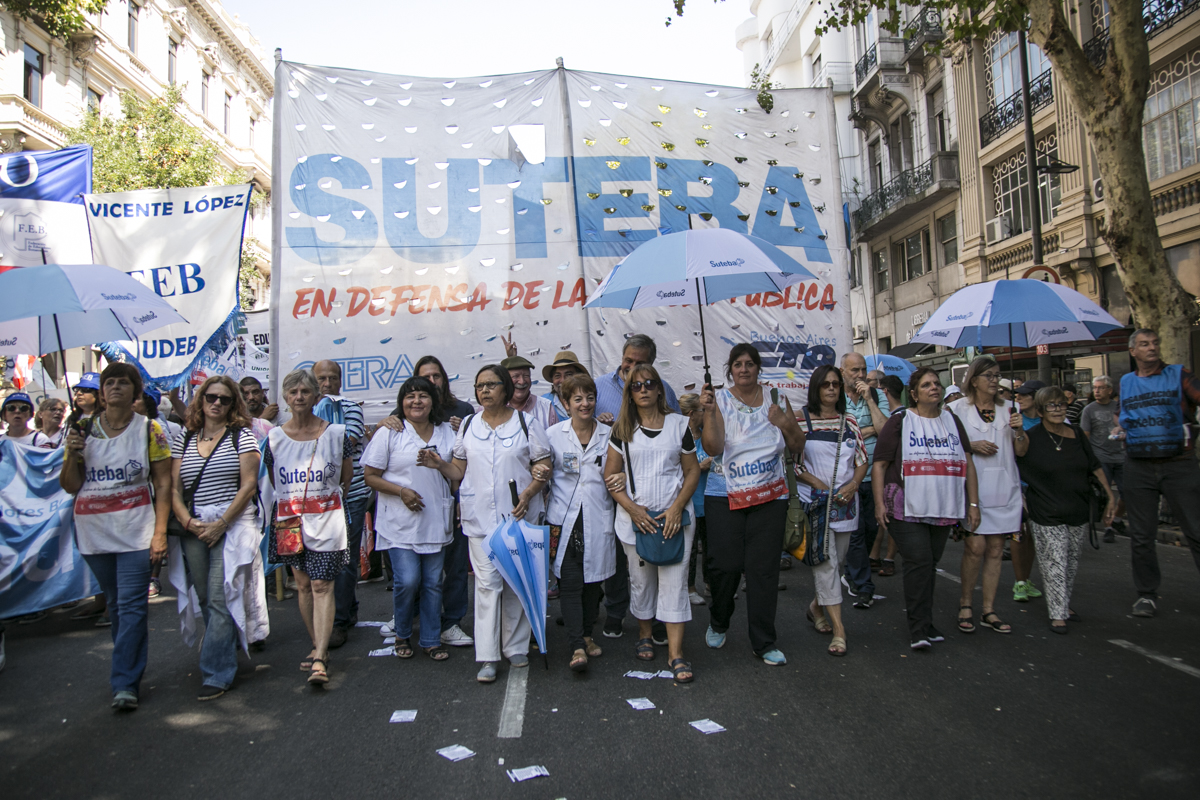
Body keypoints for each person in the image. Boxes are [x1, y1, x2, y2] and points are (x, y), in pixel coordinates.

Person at [420, 364, 551, 683]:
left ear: (506, 389)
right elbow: (458, 471)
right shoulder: (468, 424)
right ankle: (488, 655)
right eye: (480, 386)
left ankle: (516, 647)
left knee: (515, 584)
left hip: (518, 519)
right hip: (479, 519)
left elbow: (543, 464)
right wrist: (439, 465)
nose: (485, 390)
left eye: (491, 384)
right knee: (487, 584)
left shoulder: (526, 423)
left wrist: (529, 492)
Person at [59, 363, 172, 710]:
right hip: (94, 533)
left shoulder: (150, 430)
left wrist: (160, 533)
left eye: (124, 382)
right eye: (109, 382)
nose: (116, 387)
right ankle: (128, 666)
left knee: (132, 605)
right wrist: (72, 454)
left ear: (135, 391)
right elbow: (70, 485)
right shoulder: (81, 429)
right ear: (101, 392)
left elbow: (163, 483)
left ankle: (124, 682)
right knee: (117, 604)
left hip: (136, 531)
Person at [699, 344, 805, 664]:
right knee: (725, 566)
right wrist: (708, 412)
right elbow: (713, 448)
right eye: (737, 364)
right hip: (724, 495)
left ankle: (764, 641)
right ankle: (719, 620)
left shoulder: (776, 398)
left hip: (770, 496)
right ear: (730, 370)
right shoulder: (718, 399)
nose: (743, 369)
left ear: (759, 368)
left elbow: (797, 444)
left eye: (749, 364)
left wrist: (784, 422)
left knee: (763, 570)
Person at [169, 376, 264, 700]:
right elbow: (174, 489)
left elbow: (249, 485)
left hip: (231, 526)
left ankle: (216, 672)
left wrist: (222, 524)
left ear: (233, 403)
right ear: (201, 400)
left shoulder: (242, 436)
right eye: (211, 397)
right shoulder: (184, 438)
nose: (217, 403)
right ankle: (225, 645)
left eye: (225, 399)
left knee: (220, 597)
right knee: (206, 598)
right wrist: (188, 521)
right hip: (194, 528)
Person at [872, 367, 981, 650]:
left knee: (929, 563)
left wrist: (973, 504)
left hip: (943, 504)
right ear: (914, 393)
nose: (934, 387)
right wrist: (879, 504)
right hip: (905, 506)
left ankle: (926, 622)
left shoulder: (952, 421)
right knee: (919, 561)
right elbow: (880, 464)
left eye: (936, 383)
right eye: (926, 385)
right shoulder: (900, 421)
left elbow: (968, 463)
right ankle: (918, 628)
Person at [604, 363, 700, 681]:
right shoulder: (622, 429)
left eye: (649, 383)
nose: (643, 389)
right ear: (629, 393)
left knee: (675, 582)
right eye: (636, 385)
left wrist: (676, 508)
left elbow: (692, 471)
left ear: (660, 389)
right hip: (637, 520)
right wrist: (633, 510)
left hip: (674, 519)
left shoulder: (678, 425)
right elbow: (610, 476)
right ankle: (645, 633)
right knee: (641, 581)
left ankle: (676, 653)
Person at [377, 355, 478, 647]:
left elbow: (463, 461)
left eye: (436, 377)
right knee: (411, 577)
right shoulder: (404, 413)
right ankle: (407, 617)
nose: (430, 384)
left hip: (450, 502)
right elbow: (377, 460)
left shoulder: (463, 410)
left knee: (452, 568)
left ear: (444, 379)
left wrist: (458, 498)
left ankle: (449, 623)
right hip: (407, 513)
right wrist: (384, 422)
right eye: (424, 378)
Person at [264, 369, 353, 686]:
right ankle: (318, 645)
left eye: (305, 391)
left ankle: (320, 656)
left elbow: (346, 476)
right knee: (302, 585)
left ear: (316, 396)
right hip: (289, 521)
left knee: (321, 585)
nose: (299, 397)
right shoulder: (274, 438)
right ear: (285, 398)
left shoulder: (336, 434)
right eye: (293, 392)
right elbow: (273, 478)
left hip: (327, 517)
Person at [362, 376, 455, 662]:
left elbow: (457, 472)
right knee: (408, 580)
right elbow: (370, 476)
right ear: (401, 402)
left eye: (423, 396)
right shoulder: (390, 432)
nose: (416, 401)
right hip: (398, 521)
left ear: (433, 401)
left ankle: (430, 639)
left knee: (433, 582)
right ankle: (402, 633)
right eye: (410, 396)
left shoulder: (447, 432)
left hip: (435, 518)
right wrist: (401, 491)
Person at [594, 334, 679, 640]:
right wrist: (598, 422)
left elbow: (675, 443)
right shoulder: (599, 386)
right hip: (609, 488)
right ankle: (616, 613)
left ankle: (656, 622)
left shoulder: (664, 390)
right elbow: (581, 423)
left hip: (651, 492)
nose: (631, 368)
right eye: (627, 360)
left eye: (639, 363)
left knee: (652, 558)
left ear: (651, 365)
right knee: (618, 559)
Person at [1017, 387, 1115, 633]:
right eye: (1051, 405)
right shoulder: (1031, 437)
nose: (1058, 409)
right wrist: (1017, 430)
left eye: (1061, 404)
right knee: (1054, 560)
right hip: (1045, 509)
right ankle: (1057, 613)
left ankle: (1063, 604)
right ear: (1040, 411)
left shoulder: (1077, 434)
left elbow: (1094, 466)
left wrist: (1111, 496)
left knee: (1070, 562)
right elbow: (1018, 452)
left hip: (1077, 507)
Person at [1118, 329, 1200, 618]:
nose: (1151, 348)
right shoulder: (1126, 382)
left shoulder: (1179, 375)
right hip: (1138, 465)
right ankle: (1146, 595)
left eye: (1154, 343)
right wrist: (1120, 429)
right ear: (1133, 351)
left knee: (1196, 531)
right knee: (1142, 536)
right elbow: (1125, 417)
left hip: (1179, 464)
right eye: (1144, 344)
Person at [948, 358, 1029, 635]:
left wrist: (1019, 430)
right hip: (974, 489)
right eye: (989, 376)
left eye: (997, 376)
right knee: (975, 548)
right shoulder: (956, 409)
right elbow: (949, 446)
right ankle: (966, 603)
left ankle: (988, 609)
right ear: (974, 380)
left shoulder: (1011, 409)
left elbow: (1021, 451)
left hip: (1005, 488)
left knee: (996, 549)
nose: (995, 381)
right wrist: (971, 445)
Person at [546, 374, 618, 672]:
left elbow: (619, 471)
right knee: (570, 582)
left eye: (589, 398)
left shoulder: (610, 435)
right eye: (577, 399)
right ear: (566, 404)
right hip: (563, 519)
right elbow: (542, 469)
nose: (584, 404)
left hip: (597, 517)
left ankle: (587, 635)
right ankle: (577, 644)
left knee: (592, 583)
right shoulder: (553, 435)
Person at [795, 364, 868, 657]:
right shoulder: (800, 420)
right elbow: (794, 465)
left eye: (835, 384)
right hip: (815, 504)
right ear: (815, 388)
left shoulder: (849, 421)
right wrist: (820, 485)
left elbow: (861, 460)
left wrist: (853, 485)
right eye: (825, 384)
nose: (831, 389)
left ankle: (816, 607)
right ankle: (840, 630)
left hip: (846, 505)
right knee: (826, 563)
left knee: (836, 563)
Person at [311, 360, 369, 650]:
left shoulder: (350, 407)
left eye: (333, 378)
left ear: (341, 381)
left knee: (344, 558)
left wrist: (310, 437)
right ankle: (348, 608)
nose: (327, 383)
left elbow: (347, 441)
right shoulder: (307, 408)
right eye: (321, 378)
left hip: (350, 493)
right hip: (316, 496)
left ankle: (339, 621)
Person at [840, 353, 889, 609]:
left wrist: (870, 400)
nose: (860, 375)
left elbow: (887, 430)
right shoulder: (836, 398)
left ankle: (851, 573)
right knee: (856, 532)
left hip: (875, 476)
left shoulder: (877, 396)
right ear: (843, 372)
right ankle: (863, 586)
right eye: (854, 370)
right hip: (849, 476)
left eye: (863, 369)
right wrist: (869, 431)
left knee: (872, 528)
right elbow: (840, 434)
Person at [1009, 380, 1046, 601]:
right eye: (1017, 394)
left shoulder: (1051, 419)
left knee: (1032, 536)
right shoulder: (1014, 418)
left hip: (1043, 486)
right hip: (1019, 484)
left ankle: (1027, 577)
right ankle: (1020, 581)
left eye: (1024, 395)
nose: (1019, 398)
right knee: (1019, 533)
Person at [1080, 376, 1124, 543]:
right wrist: (1088, 460)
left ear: (1110, 390)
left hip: (1121, 456)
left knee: (1127, 492)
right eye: (1095, 388)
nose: (1096, 391)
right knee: (1106, 494)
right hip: (1101, 458)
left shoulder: (1118, 407)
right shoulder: (1089, 410)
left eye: (1101, 388)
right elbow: (1085, 436)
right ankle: (1108, 528)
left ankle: (1117, 519)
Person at [869, 374, 905, 577]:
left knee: (893, 516)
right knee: (882, 518)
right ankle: (875, 555)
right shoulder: (892, 414)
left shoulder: (901, 416)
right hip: (884, 474)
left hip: (895, 475)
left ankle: (889, 558)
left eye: (872, 383)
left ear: (884, 391)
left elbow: (881, 430)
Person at [679, 393, 712, 605]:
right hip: (690, 501)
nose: (706, 414)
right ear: (691, 414)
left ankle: (710, 583)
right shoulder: (680, 438)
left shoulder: (708, 436)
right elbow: (675, 471)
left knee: (711, 547)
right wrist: (700, 467)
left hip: (709, 501)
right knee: (690, 550)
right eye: (703, 410)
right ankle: (689, 588)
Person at [542, 350, 588, 423]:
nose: (563, 380)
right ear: (552, 379)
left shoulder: (589, 401)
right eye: (557, 376)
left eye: (568, 375)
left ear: (579, 376)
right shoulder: (544, 403)